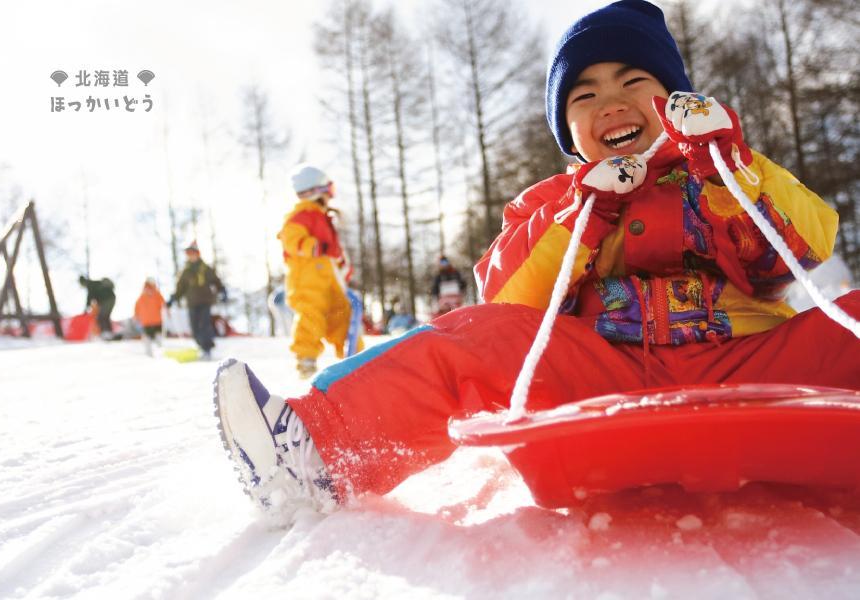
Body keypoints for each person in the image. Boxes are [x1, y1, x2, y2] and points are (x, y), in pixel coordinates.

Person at [215, 0, 860, 521]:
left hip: (746, 365)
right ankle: (317, 451)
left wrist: (729, 169)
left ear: (678, 101)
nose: (610, 101)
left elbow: (803, 249)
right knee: (471, 335)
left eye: (635, 81)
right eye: (584, 96)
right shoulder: (550, 201)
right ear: (567, 132)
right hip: (600, 374)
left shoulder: (725, 164)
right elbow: (510, 300)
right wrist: (582, 217)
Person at [277, 163, 360, 379]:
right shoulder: (301, 215)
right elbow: (290, 238)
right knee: (311, 318)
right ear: (316, 191)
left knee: (344, 319)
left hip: (331, 283)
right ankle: (306, 360)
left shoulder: (324, 219)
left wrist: (343, 268)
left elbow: (334, 252)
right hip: (307, 282)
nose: (330, 197)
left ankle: (357, 361)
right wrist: (309, 245)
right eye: (328, 191)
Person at [167, 242, 226, 360]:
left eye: (192, 253)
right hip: (192, 303)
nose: (190, 255)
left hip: (205, 301)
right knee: (194, 328)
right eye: (188, 253)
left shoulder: (205, 268)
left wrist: (222, 291)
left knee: (204, 325)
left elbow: (216, 281)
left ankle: (207, 349)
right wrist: (173, 298)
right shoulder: (185, 271)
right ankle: (202, 347)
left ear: (197, 254)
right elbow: (180, 288)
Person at [135, 277, 164, 355]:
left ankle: (155, 351)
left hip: (149, 321)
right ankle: (151, 351)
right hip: (152, 321)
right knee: (151, 337)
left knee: (154, 337)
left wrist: (136, 317)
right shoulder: (156, 294)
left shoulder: (143, 296)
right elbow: (163, 304)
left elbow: (137, 308)